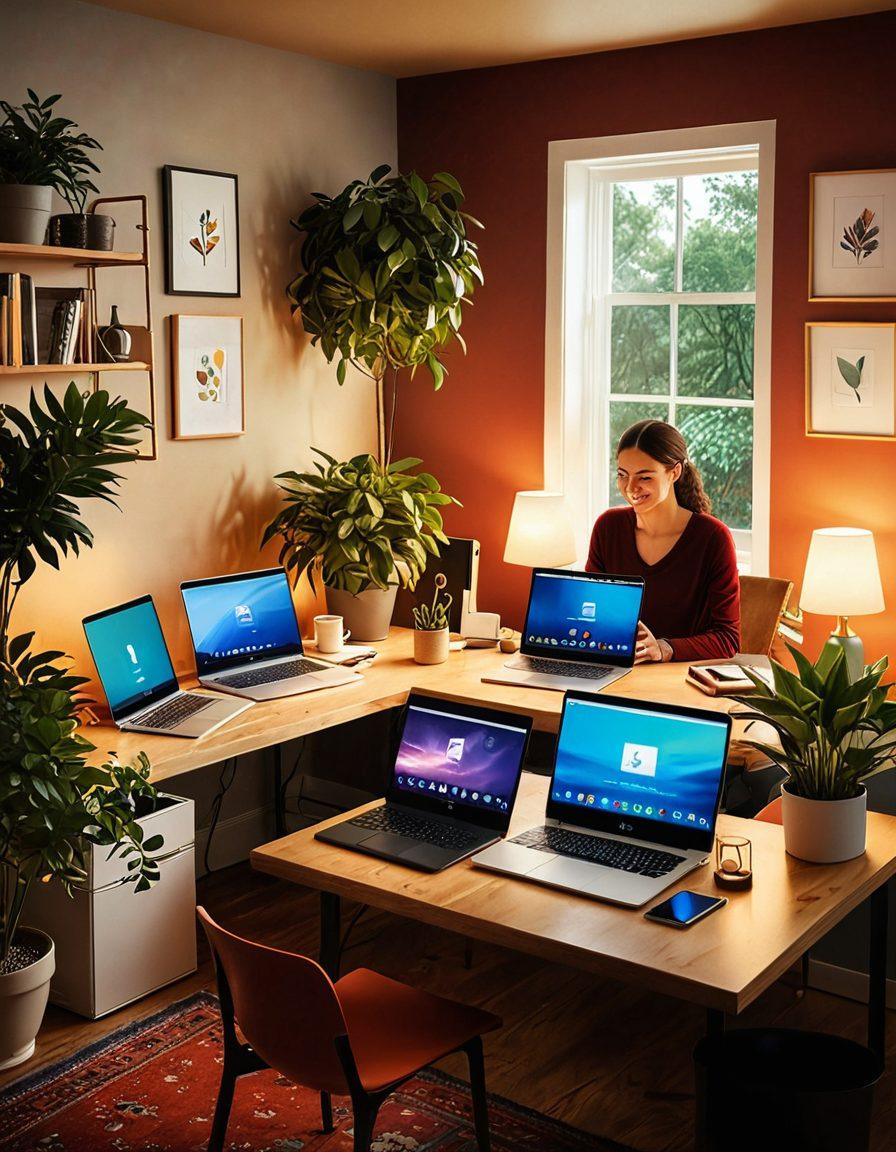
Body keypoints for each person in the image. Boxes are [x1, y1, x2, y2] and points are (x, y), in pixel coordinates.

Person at [586, 419, 740, 663]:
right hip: (614, 670)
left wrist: (663, 648)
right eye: (622, 475)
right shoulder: (608, 527)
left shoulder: (713, 538)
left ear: (674, 472)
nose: (630, 488)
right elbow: (591, 609)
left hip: (679, 680)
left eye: (644, 477)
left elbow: (727, 639)